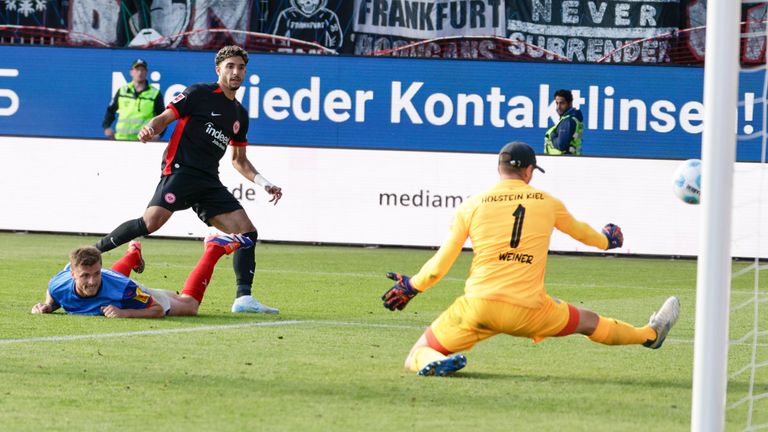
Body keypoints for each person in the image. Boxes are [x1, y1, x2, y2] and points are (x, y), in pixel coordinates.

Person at [380, 141, 681, 377]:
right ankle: (650, 334)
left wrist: (411, 286)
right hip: (531, 311)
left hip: (479, 306)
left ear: (499, 169)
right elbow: (585, 235)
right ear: (528, 171)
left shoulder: (471, 206)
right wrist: (608, 240)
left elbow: (439, 266)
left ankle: (433, 360)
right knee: (588, 322)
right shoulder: (548, 203)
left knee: (417, 353)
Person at [92, 45, 282, 315]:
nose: (236, 72)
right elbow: (165, 117)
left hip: (208, 180)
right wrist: (150, 128)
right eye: (230, 67)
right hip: (181, 170)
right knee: (150, 223)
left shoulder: (239, 115)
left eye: (240, 67)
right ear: (218, 70)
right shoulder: (199, 93)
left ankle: (243, 298)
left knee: (247, 233)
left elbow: (239, 160)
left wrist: (264, 183)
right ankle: (93, 251)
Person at [31, 234, 252, 318]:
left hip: (125, 289)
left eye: (95, 273)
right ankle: (134, 255)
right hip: (114, 283)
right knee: (108, 283)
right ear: (72, 275)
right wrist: (47, 306)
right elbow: (53, 295)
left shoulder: (123, 289)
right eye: (85, 276)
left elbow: (156, 310)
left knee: (188, 306)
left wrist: (124, 313)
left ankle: (215, 248)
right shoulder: (58, 284)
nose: (91, 280)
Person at [102, 58, 165, 141]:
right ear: (131, 72)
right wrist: (107, 127)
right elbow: (110, 110)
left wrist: (158, 135)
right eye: (137, 69)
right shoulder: (122, 90)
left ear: (146, 72)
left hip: (143, 140)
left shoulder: (154, 93)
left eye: (142, 70)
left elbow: (162, 118)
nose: (140, 73)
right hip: (121, 139)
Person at [544, 89, 584, 155]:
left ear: (570, 103)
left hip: (563, 160)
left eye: (562, 103)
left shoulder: (568, 121)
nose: (558, 107)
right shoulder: (573, 118)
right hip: (570, 158)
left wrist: (552, 136)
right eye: (557, 103)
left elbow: (561, 145)